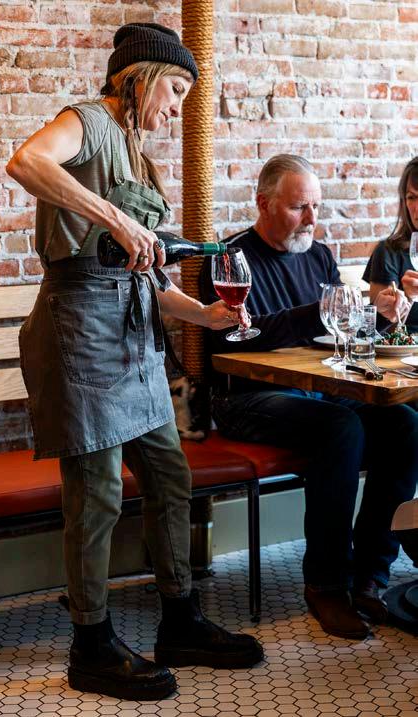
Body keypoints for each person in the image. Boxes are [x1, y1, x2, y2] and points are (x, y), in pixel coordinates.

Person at [6, 22, 263, 702]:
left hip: (134, 334)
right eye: (175, 89)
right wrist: (116, 220)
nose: (177, 108)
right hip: (81, 332)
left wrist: (204, 315)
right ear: (140, 77)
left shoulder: (139, 156)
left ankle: (180, 620)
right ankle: (90, 645)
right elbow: (26, 162)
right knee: (97, 493)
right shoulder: (88, 123)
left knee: (169, 474)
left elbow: (145, 274)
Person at [199, 154, 418, 641]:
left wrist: (381, 317)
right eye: (300, 207)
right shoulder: (230, 261)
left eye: (316, 206)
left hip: (316, 393)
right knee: (342, 428)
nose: (312, 219)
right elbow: (236, 340)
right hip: (246, 399)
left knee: (404, 424)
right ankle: (326, 584)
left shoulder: (317, 255)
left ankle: (371, 573)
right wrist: (316, 313)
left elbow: (341, 333)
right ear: (264, 203)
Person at [363, 156, 418, 332]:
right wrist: (409, 298)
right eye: (411, 197)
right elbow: (376, 333)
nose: (417, 208)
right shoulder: (388, 252)